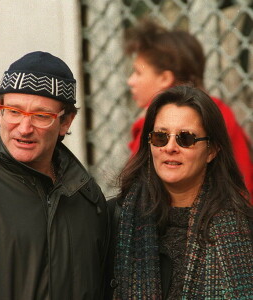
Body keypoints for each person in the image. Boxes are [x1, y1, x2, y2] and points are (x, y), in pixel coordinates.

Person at [0, 51, 109, 300]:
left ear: (66, 122)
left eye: (41, 116)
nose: (24, 129)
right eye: (14, 111)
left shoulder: (88, 200)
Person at [106, 85, 253, 299]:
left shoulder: (243, 230)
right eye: (160, 137)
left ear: (211, 150)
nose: (170, 147)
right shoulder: (115, 222)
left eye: (186, 139)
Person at [124, 17, 253, 198]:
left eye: (138, 72)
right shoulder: (221, 112)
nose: (130, 81)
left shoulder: (155, 126)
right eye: (161, 138)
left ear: (165, 78)